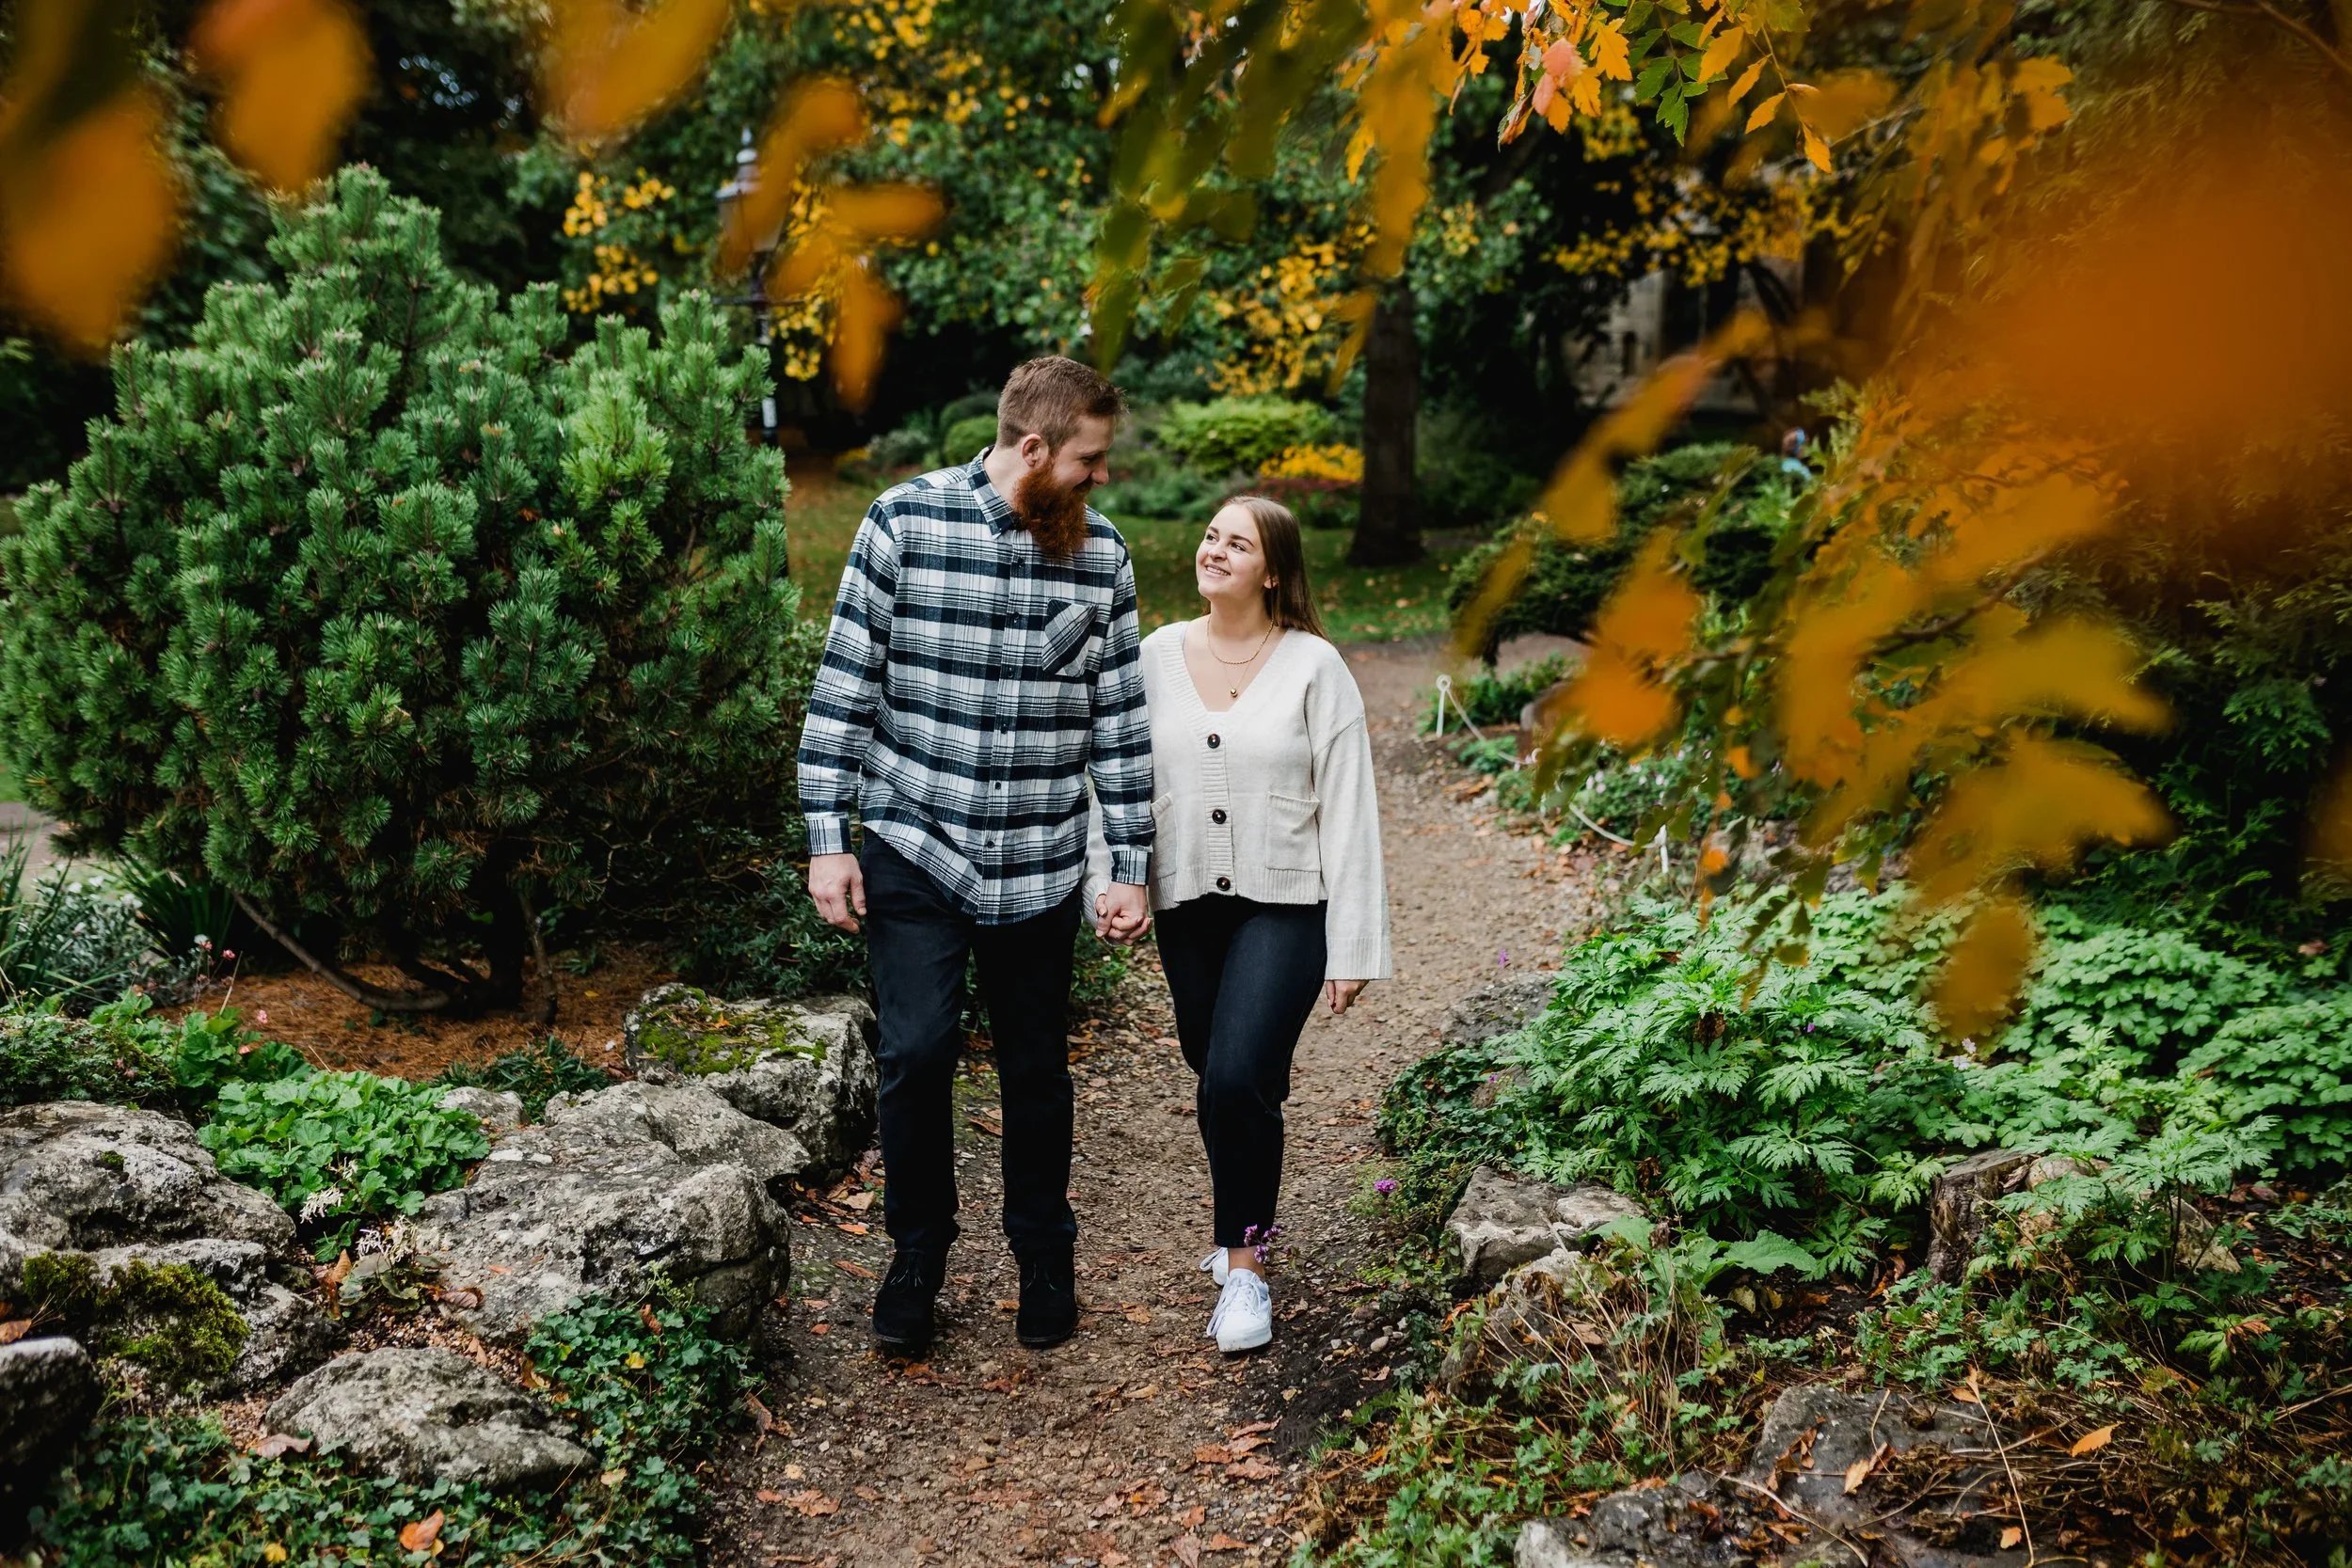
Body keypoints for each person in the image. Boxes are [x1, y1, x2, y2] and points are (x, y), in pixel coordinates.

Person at [798, 356, 1154, 1358]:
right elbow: (842, 692)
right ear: (1032, 449)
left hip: (1040, 857)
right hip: (918, 842)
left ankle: (1045, 1253)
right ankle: (917, 1253)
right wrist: (829, 838)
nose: (1099, 479)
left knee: (1038, 1071)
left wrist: (1124, 859)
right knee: (914, 1056)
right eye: (1087, 461)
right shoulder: (902, 523)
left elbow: (1119, 723)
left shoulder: (1105, 557)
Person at [1090, 496, 1391, 1354]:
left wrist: (1355, 944)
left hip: (1289, 903)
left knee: (1234, 1079)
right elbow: (1111, 777)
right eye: (1212, 535)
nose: (1215, 550)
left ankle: (1247, 1265)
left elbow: (1350, 808)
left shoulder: (1313, 666)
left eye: (1238, 543)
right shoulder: (1152, 658)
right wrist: (1119, 879)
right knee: (1220, 1070)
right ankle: (1246, 1215)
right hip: (1189, 905)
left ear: (1274, 570)